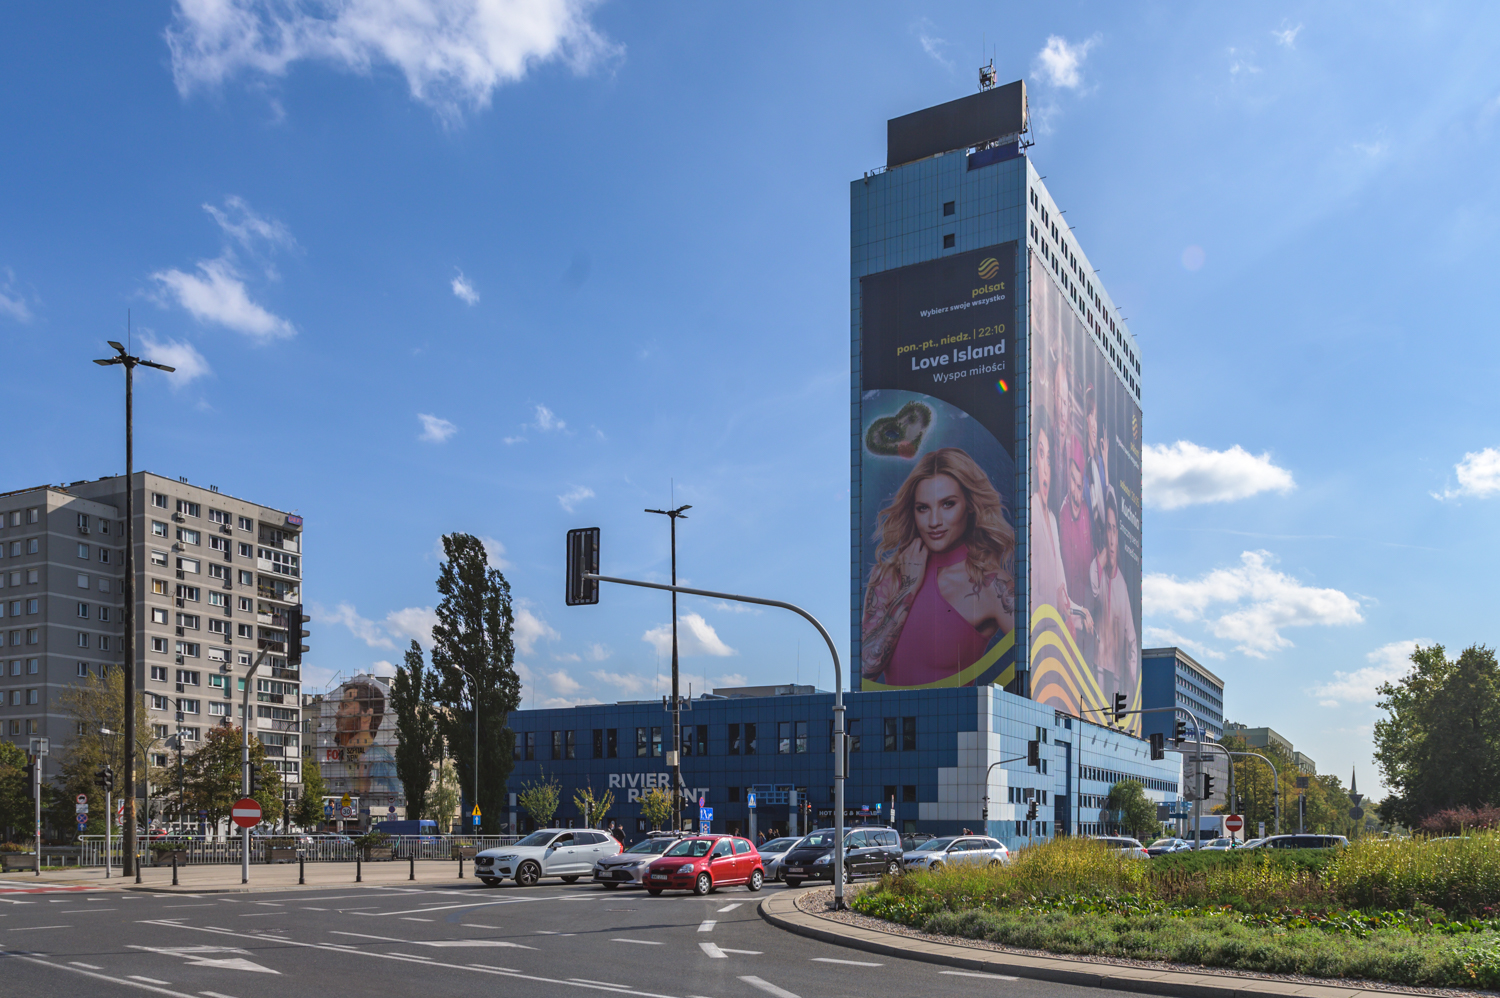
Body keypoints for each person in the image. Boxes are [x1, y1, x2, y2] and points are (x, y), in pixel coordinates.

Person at [861, 447, 1017, 687]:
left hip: (958, 723)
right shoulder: (889, 575)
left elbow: (1041, 659)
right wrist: (909, 587)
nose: (934, 521)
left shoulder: (991, 584)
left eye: (948, 504)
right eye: (923, 508)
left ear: (970, 505)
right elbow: (864, 669)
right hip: (888, 723)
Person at [1090, 489, 1138, 704]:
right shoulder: (1099, 575)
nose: (1111, 539)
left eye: (1114, 531)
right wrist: (1103, 555)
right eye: (1107, 530)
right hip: (1098, 669)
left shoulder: (1123, 588)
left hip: (1117, 681)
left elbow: (1133, 641)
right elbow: (1092, 587)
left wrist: (1133, 678)